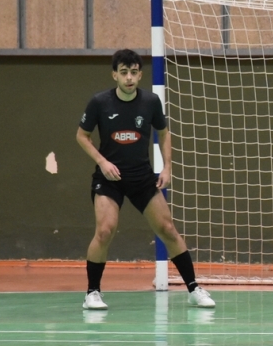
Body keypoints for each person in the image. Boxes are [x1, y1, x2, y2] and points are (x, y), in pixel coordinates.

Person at [76, 49, 215, 310]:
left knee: (168, 229)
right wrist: (102, 162)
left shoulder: (151, 102)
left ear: (140, 75)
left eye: (133, 72)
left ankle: (194, 288)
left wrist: (167, 168)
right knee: (105, 231)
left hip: (141, 177)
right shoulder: (99, 102)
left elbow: (164, 133)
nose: (129, 77)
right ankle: (92, 293)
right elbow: (82, 136)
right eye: (123, 72)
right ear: (115, 75)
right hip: (109, 179)